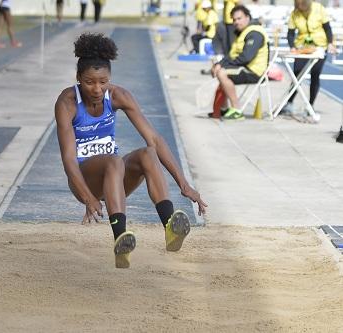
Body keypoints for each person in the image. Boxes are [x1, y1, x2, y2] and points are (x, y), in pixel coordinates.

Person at [54, 33, 207, 268]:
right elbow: (68, 159)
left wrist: (184, 185)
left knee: (148, 153)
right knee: (114, 161)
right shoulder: (67, 102)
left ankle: (170, 227)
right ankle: (120, 240)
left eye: (103, 82)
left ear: (110, 78)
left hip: (113, 181)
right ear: (78, 78)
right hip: (84, 179)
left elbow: (154, 138)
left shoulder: (119, 96)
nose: (96, 89)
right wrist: (87, 197)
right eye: (89, 82)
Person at [211, 5, 269, 120]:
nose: (236, 22)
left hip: (255, 72)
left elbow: (246, 57)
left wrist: (223, 67)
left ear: (247, 17)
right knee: (217, 69)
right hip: (245, 69)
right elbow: (231, 55)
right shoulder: (242, 33)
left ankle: (236, 110)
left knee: (222, 73)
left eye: (239, 18)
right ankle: (223, 109)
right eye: (234, 20)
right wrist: (219, 64)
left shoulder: (255, 33)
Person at [280, 0, 336, 115]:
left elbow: (327, 28)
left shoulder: (319, 8)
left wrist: (330, 43)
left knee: (315, 75)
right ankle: (289, 103)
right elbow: (290, 33)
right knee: (297, 75)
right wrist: (292, 47)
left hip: (319, 46)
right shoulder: (294, 13)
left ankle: (310, 105)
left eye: (303, 8)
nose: (302, 10)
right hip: (302, 47)